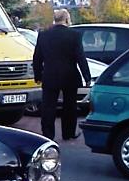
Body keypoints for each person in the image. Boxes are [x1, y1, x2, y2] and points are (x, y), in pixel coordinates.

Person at [32, 8, 92, 141]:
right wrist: (87, 77)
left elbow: (37, 58)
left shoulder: (44, 35)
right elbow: (80, 57)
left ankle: (48, 135)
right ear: (66, 19)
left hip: (50, 75)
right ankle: (68, 133)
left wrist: (38, 76)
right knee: (70, 106)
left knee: (48, 106)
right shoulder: (74, 35)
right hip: (69, 75)